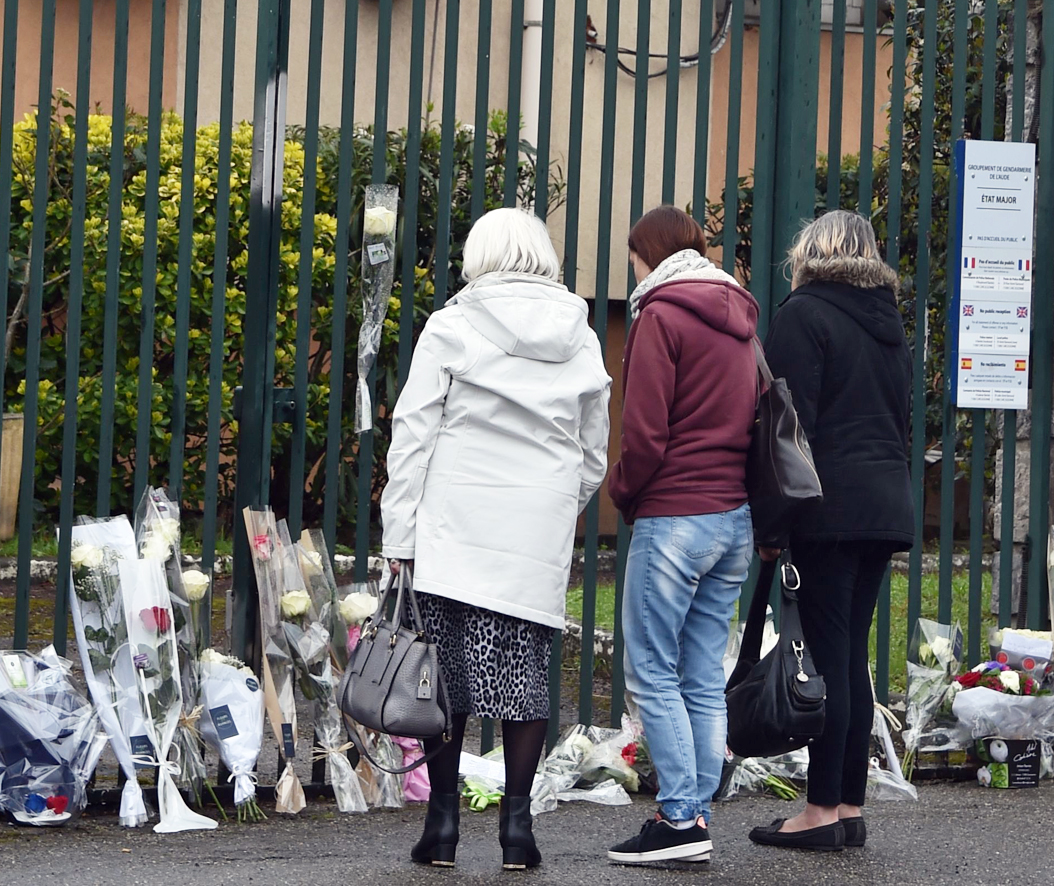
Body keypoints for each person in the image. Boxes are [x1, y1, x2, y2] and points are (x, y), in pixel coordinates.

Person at [380, 207, 611, 871]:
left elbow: (414, 434)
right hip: (534, 528)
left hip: (455, 523)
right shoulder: (581, 334)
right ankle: (518, 831)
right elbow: (593, 448)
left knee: (443, 676)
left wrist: (400, 532)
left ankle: (442, 825)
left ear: (479, 254)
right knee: (524, 676)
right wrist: (556, 503)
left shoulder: (451, 325)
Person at [747, 210, 914, 851]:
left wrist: (772, 524)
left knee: (827, 654)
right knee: (849, 658)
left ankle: (820, 810)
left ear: (811, 252)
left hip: (828, 508)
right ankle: (848, 805)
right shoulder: (888, 321)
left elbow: (787, 430)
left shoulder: (804, 313)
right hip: (884, 505)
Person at [606, 205, 759, 865]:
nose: (633, 270)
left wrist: (622, 491)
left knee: (651, 668)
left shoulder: (660, 314)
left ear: (649, 254)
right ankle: (694, 815)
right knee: (700, 672)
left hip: (674, 514)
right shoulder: (741, 318)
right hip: (733, 518)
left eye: (633, 258)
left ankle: (678, 818)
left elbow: (644, 433)